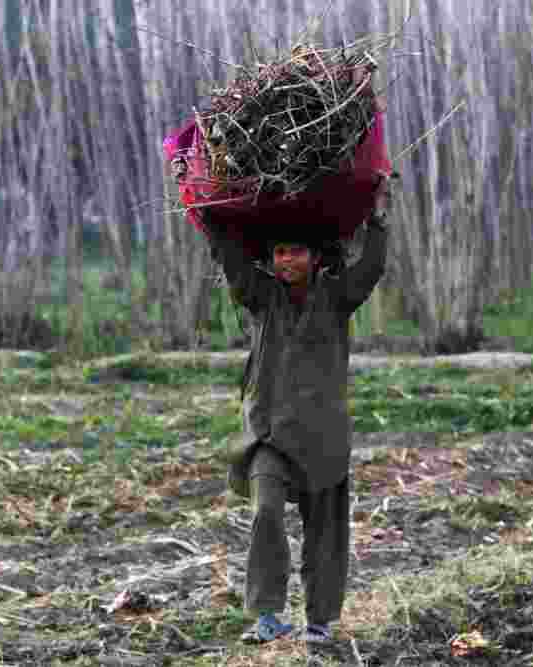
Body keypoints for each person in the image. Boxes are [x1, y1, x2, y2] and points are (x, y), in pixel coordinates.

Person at [187, 162, 391, 645]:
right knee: (265, 514)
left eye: (295, 252)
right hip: (267, 436)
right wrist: (205, 202)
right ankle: (267, 614)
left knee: (326, 533)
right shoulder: (262, 298)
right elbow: (230, 260)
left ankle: (320, 620)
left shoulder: (339, 297)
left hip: (323, 435)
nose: (286, 261)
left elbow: (373, 266)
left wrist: (380, 217)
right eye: (279, 252)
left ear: (316, 258)